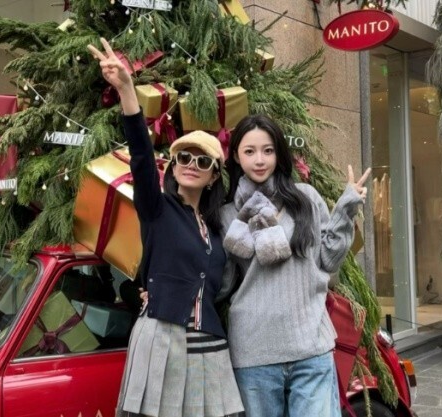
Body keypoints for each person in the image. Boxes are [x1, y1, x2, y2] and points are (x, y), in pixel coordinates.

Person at [88, 38, 244, 417]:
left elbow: (221, 284)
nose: (191, 164)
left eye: (202, 162)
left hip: (209, 342)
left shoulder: (217, 226)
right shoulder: (156, 208)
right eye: (183, 157)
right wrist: (127, 89)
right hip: (161, 335)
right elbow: (142, 156)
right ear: (173, 166)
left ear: (213, 176)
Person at [221, 114, 370, 417]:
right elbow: (221, 283)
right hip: (253, 351)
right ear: (236, 156)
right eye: (249, 151)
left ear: (279, 153)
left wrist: (346, 209)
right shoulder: (226, 215)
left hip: (310, 347)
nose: (259, 159)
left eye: (268, 150)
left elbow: (328, 260)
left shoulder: (306, 199)